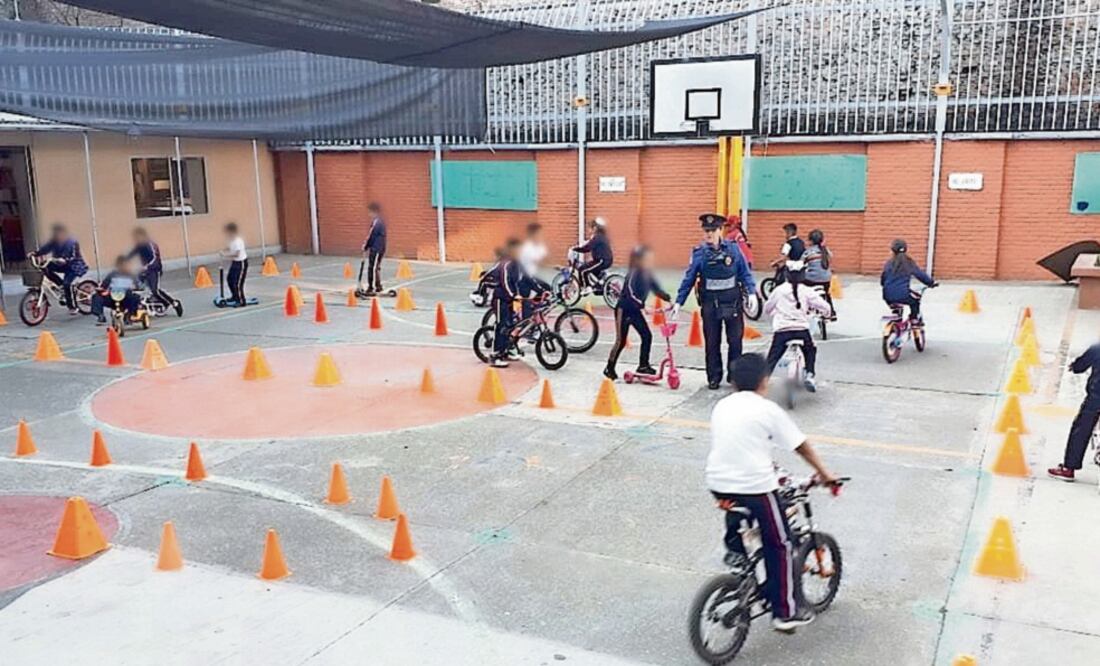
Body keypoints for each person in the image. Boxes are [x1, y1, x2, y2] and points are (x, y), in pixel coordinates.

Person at [707, 353, 839, 632]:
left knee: (743, 517)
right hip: (755, 488)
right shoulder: (767, 410)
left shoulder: (722, 406)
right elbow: (800, 446)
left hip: (718, 484)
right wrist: (825, 474)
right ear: (764, 381)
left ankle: (738, 558)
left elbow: (742, 446)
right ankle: (785, 612)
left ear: (733, 382)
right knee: (780, 544)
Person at [672, 213, 757, 390]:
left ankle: (734, 376)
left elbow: (744, 273)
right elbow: (689, 279)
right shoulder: (699, 253)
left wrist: (752, 293)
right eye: (706, 231)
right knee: (712, 343)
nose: (708, 234)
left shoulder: (733, 249)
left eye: (712, 230)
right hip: (710, 304)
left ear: (720, 230)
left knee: (735, 342)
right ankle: (714, 377)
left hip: (732, 302)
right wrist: (679, 302)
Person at [604, 245, 672, 380]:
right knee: (621, 341)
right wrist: (643, 306)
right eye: (647, 259)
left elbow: (656, 289)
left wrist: (668, 299)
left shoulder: (648, 273)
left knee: (647, 336)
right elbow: (630, 292)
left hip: (635, 311)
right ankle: (609, 368)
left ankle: (643, 365)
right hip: (624, 309)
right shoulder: (634, 273)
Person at [763, 269, 831, 392]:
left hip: (782, 330)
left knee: (773, 357)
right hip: (801, 329)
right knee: (810, 350)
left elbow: (767, 308)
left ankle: (763, 381)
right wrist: (827, 313)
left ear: (786, 275)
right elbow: (824, 306)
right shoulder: (806, 291)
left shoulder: (779, 290)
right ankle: (809, 374)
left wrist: (774, 313)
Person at [1048, 342, 1100, 481]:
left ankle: (1068, 468)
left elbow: (1084, 362)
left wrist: (1075, 366)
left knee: (1082, 428)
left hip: (1097, 397)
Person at [29, 223, 88, 314]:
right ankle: (60, 285)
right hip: (61, 264)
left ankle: (72, 307)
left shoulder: (72, 242)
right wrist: (35, 253)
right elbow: (46, 248)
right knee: (46, 267)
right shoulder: (54, 241)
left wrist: (65, 259)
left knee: (67, 284)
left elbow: (73, 255)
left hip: (74, 266)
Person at [128, 227, 180, 316]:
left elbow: (155, 258)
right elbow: (131, 255)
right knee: (136, 288)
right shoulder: (139, 246)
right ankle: (140, 306)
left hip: (154, 270)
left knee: (155, 290)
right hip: (144, 271)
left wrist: (147, 266)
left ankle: (173, 303)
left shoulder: (151, 245)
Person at [880, 239, 935, 321]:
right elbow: (920, 274)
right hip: (904, 295)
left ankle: (896, 315)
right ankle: (914, 319)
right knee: (915, 301)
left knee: (895, 303)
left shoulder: (889, 263)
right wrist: (931, 283)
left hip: (887, 296)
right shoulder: (908, 262)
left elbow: (883, 279)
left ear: (892, 250)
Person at [490, 238, 523, 368]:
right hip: (500, 299)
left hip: (509, 299)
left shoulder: (516, 264)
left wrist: (518, 294)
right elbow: (505, 282)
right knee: (501, 325)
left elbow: (517, 282)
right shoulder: (505, 263)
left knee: (510, 325)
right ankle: (495, 355)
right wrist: (513, 295)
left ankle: (506, 351)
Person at [91, 255, 141, 325]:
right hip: (113, 296)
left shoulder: (132, 275)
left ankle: (129, 316)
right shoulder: (112, 274)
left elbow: (138, 286)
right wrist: (101, 290)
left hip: (126, 298)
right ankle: (100, 315)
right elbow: (104, 286)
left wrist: (135, 288)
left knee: (136, 297)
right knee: (96, 296)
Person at [572, 217, 613, 292]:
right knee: (591, 270)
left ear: (595, 228)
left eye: (590, 228)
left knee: (582, 269)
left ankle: (586, 288)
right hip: (604, 260)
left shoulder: (597, 237)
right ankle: (599, 287)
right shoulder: (601, 236)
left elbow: (588, 248)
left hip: (602, 260)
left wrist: (576, 249)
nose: (589, 230)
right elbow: (588, 244)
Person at [518, 223, 549, 319]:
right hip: (524, 277)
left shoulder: (538, 246)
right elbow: (536, 261)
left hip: (532, 276)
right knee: (527, 300)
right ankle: (526, 322)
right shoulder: (527, 247)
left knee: (547, 289)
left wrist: (554, 267)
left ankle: (533, 307)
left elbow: (542, 260)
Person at [802, 229, 835, 319]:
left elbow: (801, 263)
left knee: (801, 287)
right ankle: (832, 313)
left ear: (811, 241)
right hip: (826, 279)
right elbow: (830, 259)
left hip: (812, 279)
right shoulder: (826, 250)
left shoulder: (808, 252)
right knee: (827, 294)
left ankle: (805, 308)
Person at [219, 222, 249, 306]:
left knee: (237, 283)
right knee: (230, 279)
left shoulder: (238, 241)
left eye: (228, 232)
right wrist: (224, 250)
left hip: (241, 263)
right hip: (235, 262)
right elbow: (230, 248)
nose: (227, 234)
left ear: (233, 232)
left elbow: (237, 254)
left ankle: (241, 301)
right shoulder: (231, 240)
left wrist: (225, 255)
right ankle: (235, 296)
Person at [362, 202, 387, 295]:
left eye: (370, 212)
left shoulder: (377, 223)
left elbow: (371, 236)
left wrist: (366, 246)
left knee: (372, 267)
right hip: (380, 248)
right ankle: (378, 286)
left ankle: (371, 287)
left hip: (376, 248)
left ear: (374, 212)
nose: (369, 214)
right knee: (376, 267)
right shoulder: (380, 222)